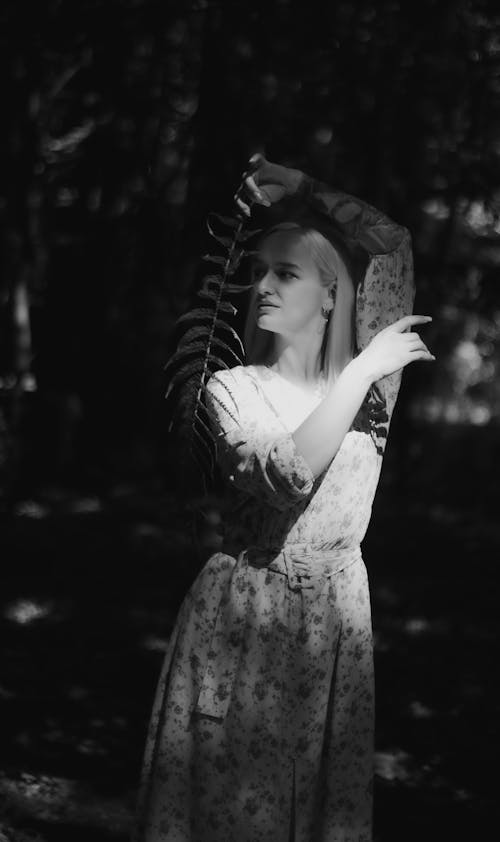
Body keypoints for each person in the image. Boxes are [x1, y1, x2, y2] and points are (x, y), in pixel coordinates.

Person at [131, 156, 434, 842]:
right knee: (233, 814)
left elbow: (395, 244)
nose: (261, 284)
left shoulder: (371, 396)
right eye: (258, 269)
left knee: (323, 810)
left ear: (333, 294)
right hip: (247, 614)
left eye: (285, 271)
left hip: (335, 621)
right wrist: (360, 369)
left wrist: (301, 189)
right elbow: (287, 472)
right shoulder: (232, 389)